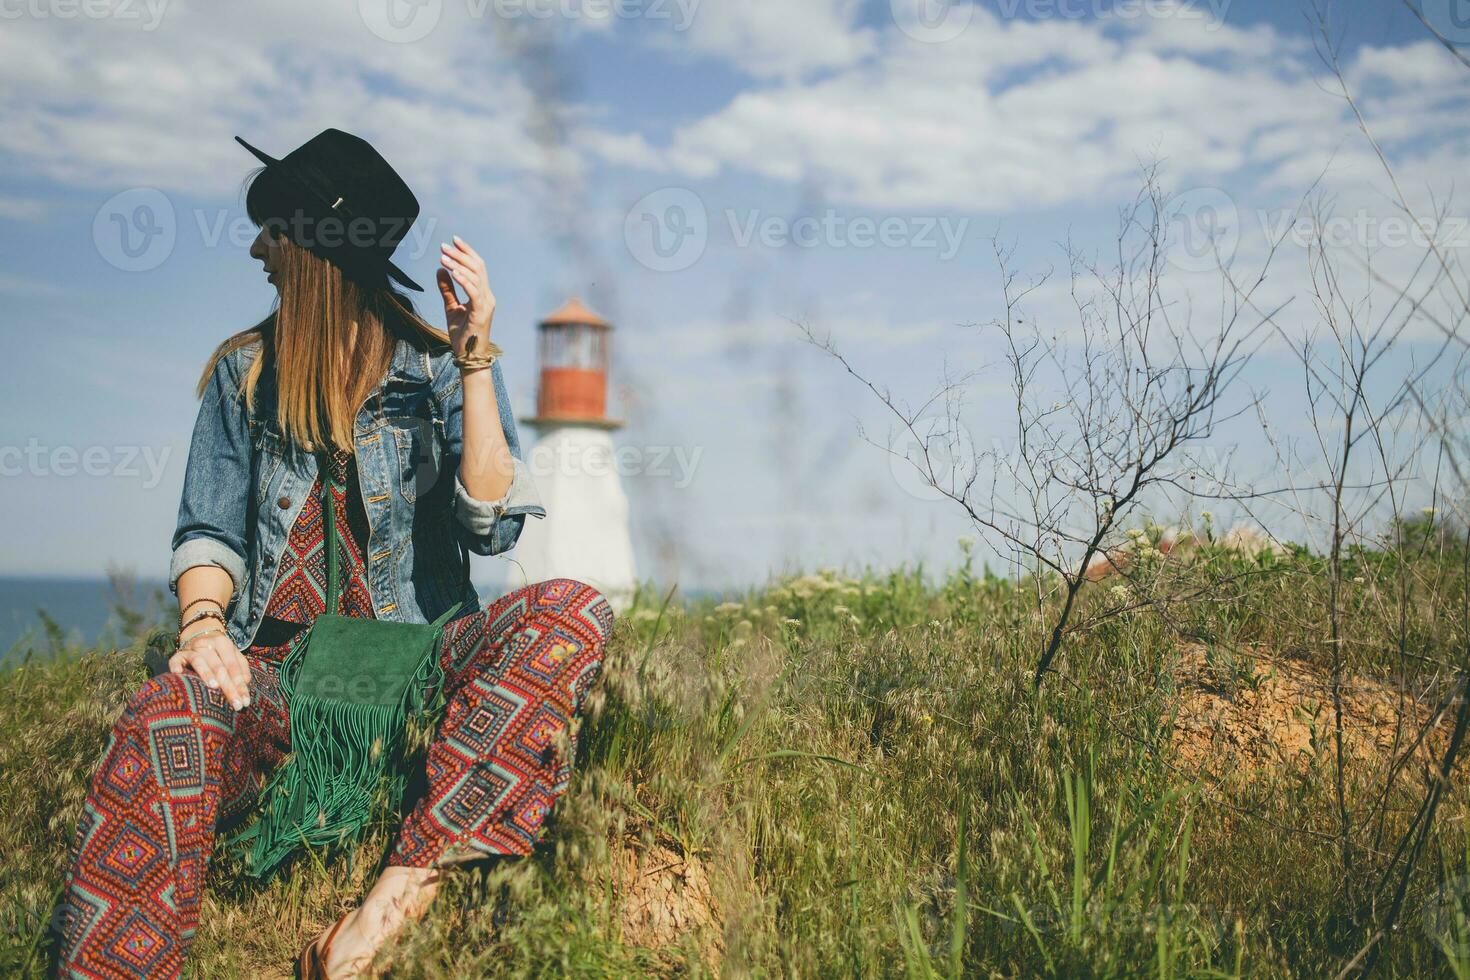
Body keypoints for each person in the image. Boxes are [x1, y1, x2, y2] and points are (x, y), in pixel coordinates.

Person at [56, 129, 614, 979]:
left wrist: (472, 358)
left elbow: (491, 524)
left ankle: (387, 907)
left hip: (414, 677)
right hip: (273, 688)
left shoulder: (438, 368)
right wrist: (204, 627)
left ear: (313, 247)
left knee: (572, 609)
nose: (256, 249)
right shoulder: (242, 375)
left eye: (272, 230)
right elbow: (208, 532)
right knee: (165, 713)